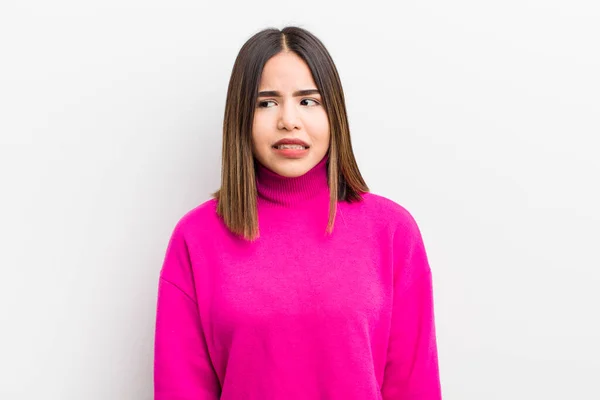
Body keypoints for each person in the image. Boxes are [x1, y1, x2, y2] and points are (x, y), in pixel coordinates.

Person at [153, 26, 442, 399]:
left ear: (333, 113)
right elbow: (181, 389)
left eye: (308, 101)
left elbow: (414, 384)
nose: (289, 119)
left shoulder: (392, 231)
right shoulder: (196, 237)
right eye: (267, 102)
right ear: (241, 117)